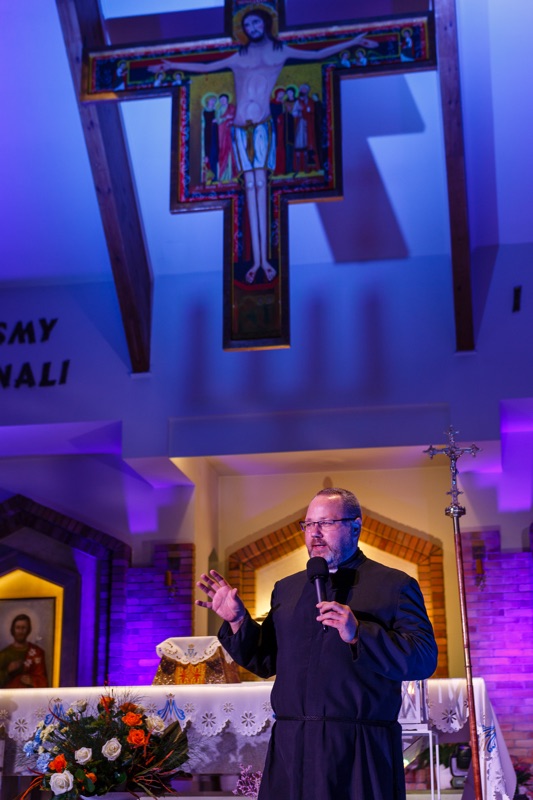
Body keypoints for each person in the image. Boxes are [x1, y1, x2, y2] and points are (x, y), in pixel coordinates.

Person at [196, 487, 438, 800]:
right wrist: (238, 621)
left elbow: (423, 658)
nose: (315, 533)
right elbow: (265, 661)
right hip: (292, 747)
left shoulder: (395, 585)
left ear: (355, 526)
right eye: (309, 524)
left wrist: (359, 633)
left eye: (325, 523)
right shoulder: (288, 588)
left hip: (359, 747)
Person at [158, 7, 377, 284]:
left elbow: (317, 54)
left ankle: (264, 260)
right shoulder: (239, 56)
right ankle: (256, 260)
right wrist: (171, 65)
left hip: (262, 127)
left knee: (261, 184)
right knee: (249, 186)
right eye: (247, 25)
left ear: (266, 23)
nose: (252, 28)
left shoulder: (280, 51)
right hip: (239, 128)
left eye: (256, 22)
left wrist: (353, 42)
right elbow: (205, 67)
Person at [0, 613, 48, 688]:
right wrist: (8, 670)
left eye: (23, 628)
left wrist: (32, 681)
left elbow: (44, 681)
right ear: (13, 630)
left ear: (28, 630)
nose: (20, 631)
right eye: (18, 628)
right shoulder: (4, 654)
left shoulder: (37, 652)